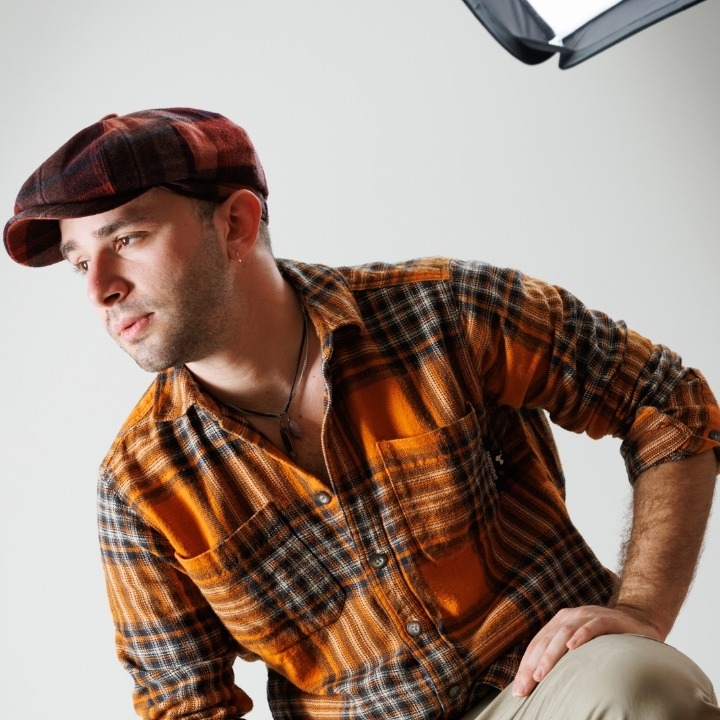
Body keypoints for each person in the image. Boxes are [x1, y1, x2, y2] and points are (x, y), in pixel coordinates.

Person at [4, 107, 719, 720]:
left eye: (126, 239)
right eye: (78, 261)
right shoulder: (141, 484)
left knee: (639, 684)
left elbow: (669, 401)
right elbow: (185, 705)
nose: (99, 288)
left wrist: (642, 608)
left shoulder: (443, 312)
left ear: (236, 225)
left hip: (544, 690)